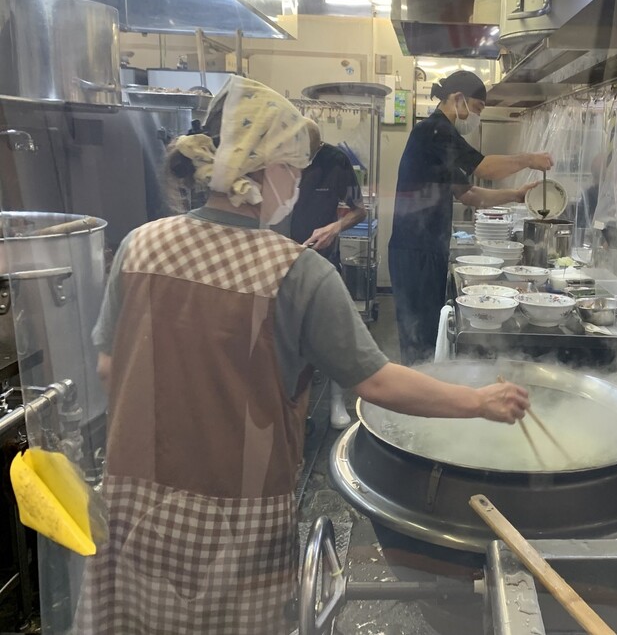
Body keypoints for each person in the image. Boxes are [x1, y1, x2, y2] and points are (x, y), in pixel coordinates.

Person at [76, 76, 530, 635]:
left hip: (129, 509)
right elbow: (379, 384)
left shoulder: (140, 245)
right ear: (264, 169)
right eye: (293, 168)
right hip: (235, 523)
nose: (296, 182)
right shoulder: (295, 272)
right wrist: (479, 400)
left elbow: (108, 369)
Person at [388, 70, 552, 365]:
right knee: (419, 337)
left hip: (426, 249)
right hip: (415, 250)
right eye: (477, 109)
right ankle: (415, 399)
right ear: (458, 99)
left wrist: (517, 195)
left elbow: (469, 194)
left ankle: (425, 393)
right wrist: (529, 159)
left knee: (426, 334)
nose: (475, 117)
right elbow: (484, 168)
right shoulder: (435, 130)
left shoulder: (439, 140)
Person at [290, 127, 368, 429]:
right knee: (294, 334)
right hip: (283, 254)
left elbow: (359, 211)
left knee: (332, 327)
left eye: (307, 156)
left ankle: (336, 401)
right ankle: (297, 405)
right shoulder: (278, 158)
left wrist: (334, 228)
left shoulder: (336, 161)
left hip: (322, 256)